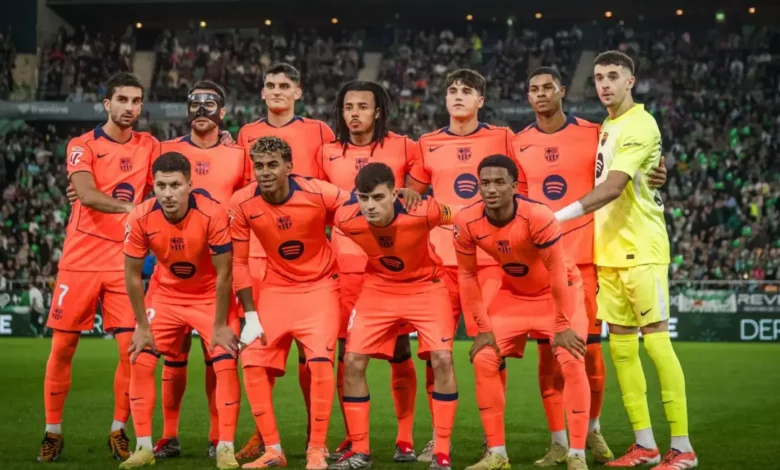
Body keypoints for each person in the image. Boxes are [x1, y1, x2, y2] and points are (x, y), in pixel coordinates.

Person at [511, 66, 667, 466]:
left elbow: (628, 159)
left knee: (591, 355)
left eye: (548, 87)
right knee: (549, 357)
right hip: (543, 263)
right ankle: (558, 441)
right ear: (528, 97)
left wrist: (657, 169)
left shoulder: (593, 132)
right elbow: (519, 201)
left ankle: (592, 429)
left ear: (562, 91)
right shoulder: (519, 142)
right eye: (534, 89)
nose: (541, 94)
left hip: (587, 258)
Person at [553, 51, 697, 470]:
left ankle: (683, 448)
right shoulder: (608, 126)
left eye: (613, 76)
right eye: (599, 77)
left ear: (630, 81)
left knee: (657, 344)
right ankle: (645, 444)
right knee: (621, 350)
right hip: (610, 252)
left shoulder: (639, 124)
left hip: (642, 251)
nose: (604, 84)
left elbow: (614, 186)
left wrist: (555, 218)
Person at [39, 72, 159, 463]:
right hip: (80, 262)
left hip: (124, 263)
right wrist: (134, 208)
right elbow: (87, 194)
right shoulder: (82, 144)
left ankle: (118, 430)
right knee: (63, 348)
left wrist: (222, 137)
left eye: (136, 101)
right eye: (122, 99)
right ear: (107, 104)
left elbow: (176, 168)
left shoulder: (149, 145)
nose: (130, 107)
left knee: (130, 352)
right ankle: (52, 432)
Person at [454, 155, 591, 470]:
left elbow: (557, 271)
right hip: (515, 294)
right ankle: (497, 454)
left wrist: (562, 325)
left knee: (571, 359)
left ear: (514, 186)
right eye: (485, 183)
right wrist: (483, 328)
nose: (491, 189)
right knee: (484, 357)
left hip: (560, 292)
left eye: (499, 182)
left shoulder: (538, 216)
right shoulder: (467, 220)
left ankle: (576, 454)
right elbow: (467, 275)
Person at [234, 64, 336, 459]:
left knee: (313, 358)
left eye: (284, 85)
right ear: (262, 91)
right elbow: (242, 186)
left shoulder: (319, 131)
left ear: (298, 91)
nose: (276, 91)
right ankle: (263, 436)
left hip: (308, 249)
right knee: (260, 351)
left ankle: (316, 437)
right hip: (262, 253)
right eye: (270, 85)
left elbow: (330, 185)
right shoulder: (247, 133)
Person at [405, 69, 508, 460]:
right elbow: (411, 198)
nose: (458, 95)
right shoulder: (427, 143)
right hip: (440, 264)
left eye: (467, 91)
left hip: (489, 263)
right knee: (436, 353)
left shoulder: (502, 138)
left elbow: (526, 186)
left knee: (490, 352)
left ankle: (493, 441)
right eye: (452, 90)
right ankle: (438, 437)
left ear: (481, 100)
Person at [328, 163, 458, 470]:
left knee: (442, 359)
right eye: (364, 198)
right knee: (352, 361)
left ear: (393, 194)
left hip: (426, 286)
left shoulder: (424, 211)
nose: (370, 206)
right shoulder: (345, 219)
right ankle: (361, 451)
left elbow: (463, 215)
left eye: (378, 197)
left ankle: (441, 452)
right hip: (379, 288)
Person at [229, 136, 348, 470]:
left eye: (272, 165)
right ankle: (273, 450)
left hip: (320, 287)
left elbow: (359, 206)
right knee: (251, 360)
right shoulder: (242, 202)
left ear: (289, 167)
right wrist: (250, 314)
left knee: (320, 363)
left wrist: (396, 197)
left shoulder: (318, 192)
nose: (265, 172)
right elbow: (239, 262)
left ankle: (316, 450)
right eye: (259, 166)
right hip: (276, 290)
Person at [319, 80, 421, 462]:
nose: (354, 113)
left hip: (390, 264)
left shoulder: (404, 146)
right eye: (348, 107)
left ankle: (405, 438)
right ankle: (352, 436)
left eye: (362, 106)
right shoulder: (326, 152)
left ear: (377, 111)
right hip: (343, 265)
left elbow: (414, 199)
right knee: (347, 352)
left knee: (400, 349)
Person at [150, 80, 251, 460]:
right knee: (173, 356)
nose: (202, 111)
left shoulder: (239, 155)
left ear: (223, 112)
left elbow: (250, 203)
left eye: (211, 104)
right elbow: (148, 199)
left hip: (218, 274)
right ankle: (168, 436)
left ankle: (216, 437)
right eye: (196, 104)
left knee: (217, 355)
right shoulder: (166, 150)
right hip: (173, 273)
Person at [120, 152, 240, 469]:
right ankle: (143, 447)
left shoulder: (213, 213)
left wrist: (219, 325)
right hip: (166, 295)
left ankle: (225, 446)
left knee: (225, 360)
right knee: (140, 358)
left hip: (209, 295)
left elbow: (225, 273)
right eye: (161, 185)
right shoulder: (141, 216)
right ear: (154, 186)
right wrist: (142, 326)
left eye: (175, 185)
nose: (168, 193)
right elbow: (132, 275)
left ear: (190, 184)